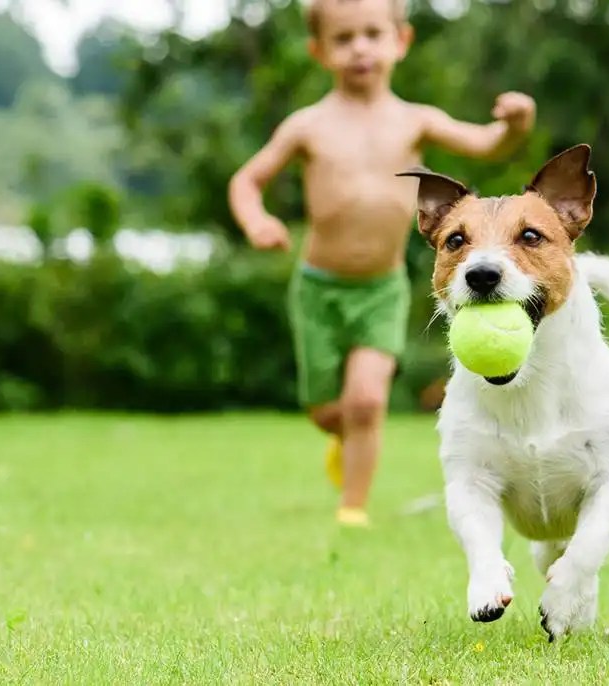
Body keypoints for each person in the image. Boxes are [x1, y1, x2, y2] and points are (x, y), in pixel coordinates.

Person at [228, 0, 536, 527]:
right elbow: (245, 181)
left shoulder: (415, 120)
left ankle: (353, 507)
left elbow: (488, 144)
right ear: (319, 51)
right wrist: (257, 221)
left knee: (367, 402)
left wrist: (516, 123)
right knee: (329, 410)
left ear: (401, 41)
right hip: (317, 287)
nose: (361, 48)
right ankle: (341, 436)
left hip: (382, 288)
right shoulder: (308, 126)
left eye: (373, 33)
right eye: (344, 39)